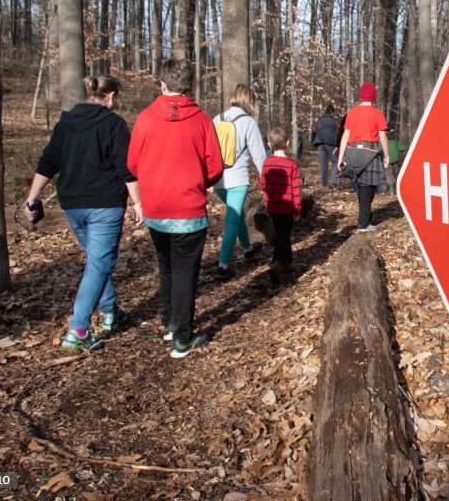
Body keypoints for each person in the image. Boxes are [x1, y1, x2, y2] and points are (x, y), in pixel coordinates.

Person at [25, 75, 142, 352]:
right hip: (105, 204)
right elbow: (126, 169)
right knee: (99, 263)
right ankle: (78, 329)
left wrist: (32, 198)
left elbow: (47, 163)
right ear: (110, 96)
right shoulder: (113, 124)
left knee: (96, 262)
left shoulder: (65, 124)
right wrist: (138, 202)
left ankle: (111, 312)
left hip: (73, 204)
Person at [128, 59, 223, 359]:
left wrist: (154, 181)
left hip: (156, 209)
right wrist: (197, 180)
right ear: (189, 86)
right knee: (184, 272)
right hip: (188, 209)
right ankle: (181, 338)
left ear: (163, 83)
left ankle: (170, 322)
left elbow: (132, 163)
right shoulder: (202, 121)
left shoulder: (145, 119)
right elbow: (216, 167)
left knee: (167, 265)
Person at [212, 85, 268, 277]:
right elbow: (259, 156)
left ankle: (248, 248)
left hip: (218, 180)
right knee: (232, 221)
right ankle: (223, 266)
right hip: (237, 180)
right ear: (249, 101)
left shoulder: (216, 119)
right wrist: (266, 180)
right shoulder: (248, 122)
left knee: (236, 214)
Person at [337, 82, 389, 232]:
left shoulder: (352, 112)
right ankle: (363, 223)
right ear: (374, 97)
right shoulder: (377, 114)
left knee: (361, 186)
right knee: (368, 188)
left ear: (361, 96)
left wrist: (341, 157)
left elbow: (345, 136)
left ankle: (364, 218)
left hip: (352, 152)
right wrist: (386, 155)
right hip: (370, 152)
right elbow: (383, 137)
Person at [260, 128, 302, 280]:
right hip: (286, 206)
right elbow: (296, 189)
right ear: (288, 143)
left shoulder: (267, 163)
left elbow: (263, 184)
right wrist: (297, 209)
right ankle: (276, 263)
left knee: (282, 233)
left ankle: (287, 263)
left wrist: (267, 198)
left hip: (273, 205)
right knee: (283, 235)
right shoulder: (291, 164)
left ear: (269, 144)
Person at [311, 104, 340, 188]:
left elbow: (313, 131)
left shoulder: (319, 121)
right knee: (335, 162)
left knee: (323, 165)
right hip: (332, 144)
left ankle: (324, 185)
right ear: (333, 112)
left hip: (320, 144)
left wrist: (313, 142)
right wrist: (339, 144)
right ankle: (333, 182)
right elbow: (338, 133)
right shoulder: (335, 121)